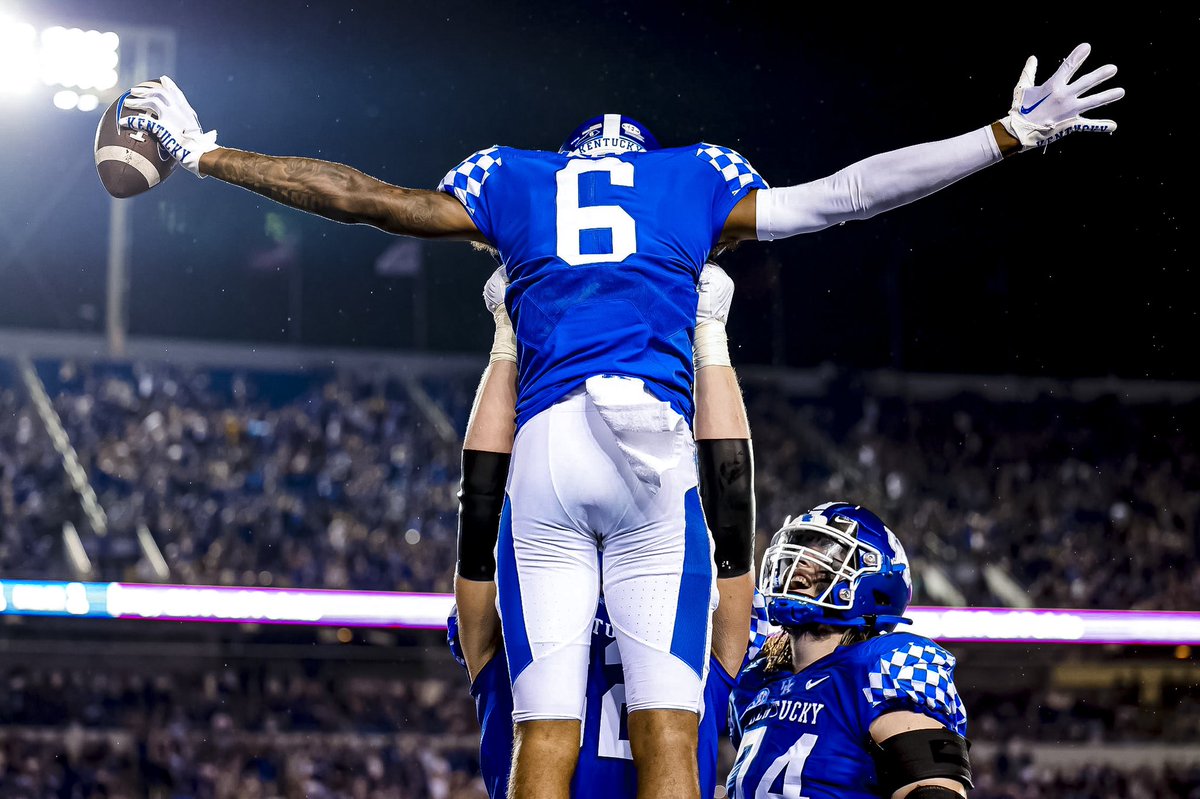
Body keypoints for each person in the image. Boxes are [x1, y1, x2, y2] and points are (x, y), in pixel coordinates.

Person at [118, 43, 1121, 798]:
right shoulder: (695, 174)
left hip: (548, 449)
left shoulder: (516, 177)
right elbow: (846, 196)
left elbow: (367, 199)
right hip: (652, 446)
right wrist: (1005, 135)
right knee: (671, 730)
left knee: (541, 732)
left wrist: (209, 154)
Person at [452, 262, 760, 798]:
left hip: (551, 466)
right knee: (672, 734)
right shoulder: (698, 628)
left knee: (540, 730)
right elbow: (731, 532)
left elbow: (479, 524)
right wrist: (710, 339)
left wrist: (507, 341)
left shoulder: (510, 627)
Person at [727, 502, 972, 799]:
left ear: (874, 579)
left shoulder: (881, 666)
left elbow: (934, 792)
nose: (801, 562)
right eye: (800, 547)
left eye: (824, 551)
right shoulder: (758, 681)